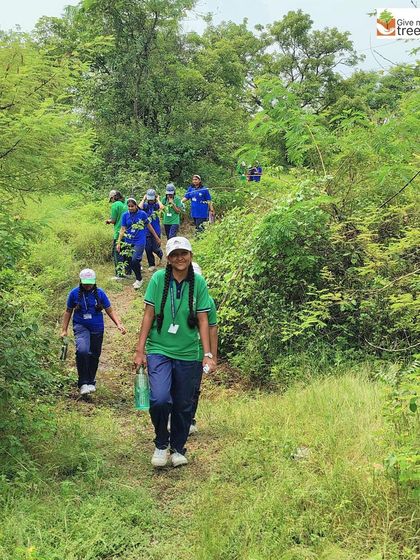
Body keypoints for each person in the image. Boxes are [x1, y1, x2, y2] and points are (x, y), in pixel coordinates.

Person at [134, 237, 216, 468]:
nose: (180, 258)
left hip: (189, 352)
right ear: (168, 259)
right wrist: (140, 350)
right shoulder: (159, 279)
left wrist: (208, 354)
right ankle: (161, 444)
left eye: (184, 253)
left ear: (190, 256)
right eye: (175, 254)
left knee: (183, 403)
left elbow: (203, 320)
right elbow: (148, 315)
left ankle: (178, 448)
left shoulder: (198, 282)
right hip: (159, 348)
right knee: (159, 399)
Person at [61, 268, 126, 396]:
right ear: (80, 281)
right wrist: (64, 329)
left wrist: (118, 324)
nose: (88, 285)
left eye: (90, 282)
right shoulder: (74, 294)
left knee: (94, 354)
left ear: (94, 281)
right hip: (80, 326)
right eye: (85, 282)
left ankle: (91, 381)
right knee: (83, 350)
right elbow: (68, 311)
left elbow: (110, 310)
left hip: (97, 327)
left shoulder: (100, 294)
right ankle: (83, 382)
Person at [190, 262, 218, 435]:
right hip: (178, 349)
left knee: (193, 386)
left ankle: (189, 418)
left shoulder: (207, 301)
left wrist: (212, 356)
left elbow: (212, 328)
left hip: (198, 351)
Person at [116, 198, 161, 289]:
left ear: (136, 205)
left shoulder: (142, 214)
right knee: (130, 262)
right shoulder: (125, 215)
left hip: (140, 240)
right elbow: (123, 229)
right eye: (129, 206)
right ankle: (138, 277)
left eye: (132, 206)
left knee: (134, 260)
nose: (130, 208)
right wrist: (119, 242)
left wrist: (156, 237)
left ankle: (139, 279)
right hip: (128, 241)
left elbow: (149, 226)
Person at [139, 189, 164, 271]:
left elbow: (162, 207)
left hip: (156, 228)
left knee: (155, 248)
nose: (150, 200)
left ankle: (160, 254)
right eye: (149, 198)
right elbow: (139, 207)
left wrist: (158, 200)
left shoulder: (156, 205)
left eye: (152, 198)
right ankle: (151, 264)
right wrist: (143, 199)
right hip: (146, 230)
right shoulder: (145, 205)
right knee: (148, 248)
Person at [106, 190, 128, 280]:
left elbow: (114, 220)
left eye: (111, 199)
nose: (112, 201)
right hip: (128, 233)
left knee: (117, 253)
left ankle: (119, 274)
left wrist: (108, 221)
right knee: (125, 253)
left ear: (114, 197)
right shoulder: (126, 203)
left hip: (118, 232)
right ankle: (127, 271)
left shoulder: (115, 205)